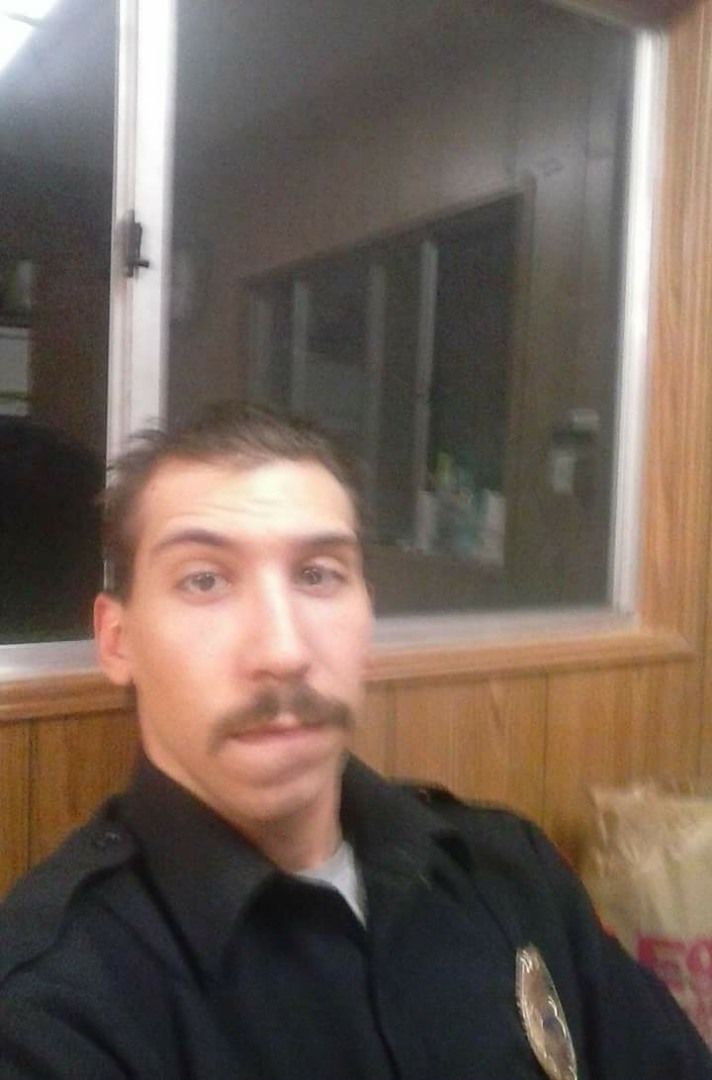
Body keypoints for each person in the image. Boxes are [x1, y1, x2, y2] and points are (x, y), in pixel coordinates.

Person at [1, 402, 711, 1080]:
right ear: (117, 642)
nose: (283, 651)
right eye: (205, 580)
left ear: (368, 617)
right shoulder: (49, 1008)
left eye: (318, 575)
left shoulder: (509, 870)